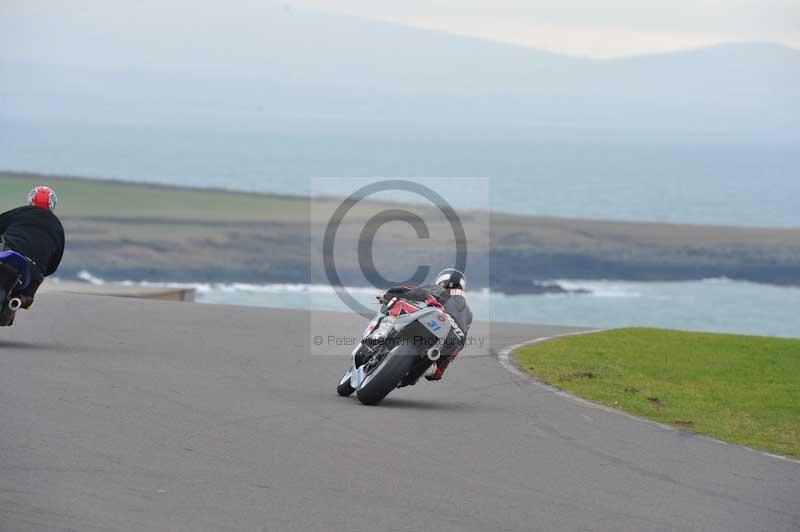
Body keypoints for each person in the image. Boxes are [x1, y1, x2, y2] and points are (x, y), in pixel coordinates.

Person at [378, 268, 473, 384]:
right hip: (448, 340)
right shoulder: (468, 313)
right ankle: (419, 372)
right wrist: (440, 370)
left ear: (443, 282)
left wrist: (389, 293)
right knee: (420, 372)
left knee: (399, 302)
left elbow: (411, 291)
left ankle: (381, 333)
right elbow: (460, 344)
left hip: (431, 321)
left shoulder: (438, 289)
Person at [0, 186, 65, 313]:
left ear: (31, 200)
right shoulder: (58, 227)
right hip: (33, 270)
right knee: (26, 298)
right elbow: (54, 264)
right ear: (52, 204)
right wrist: (41, 271)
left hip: (8, 252)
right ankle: (20, 300)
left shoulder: (21, 211)